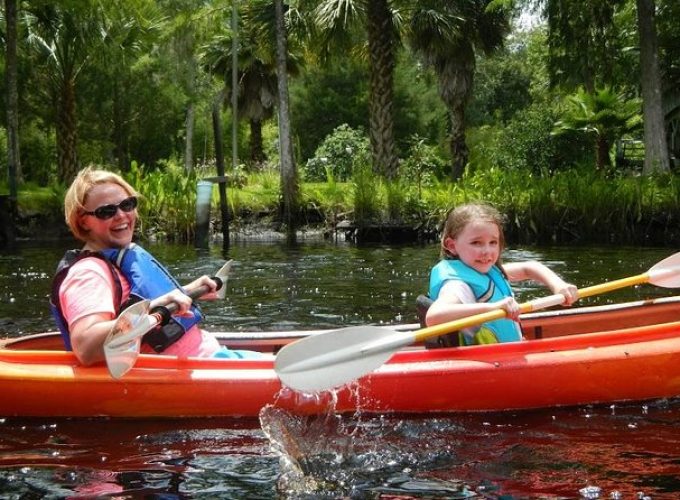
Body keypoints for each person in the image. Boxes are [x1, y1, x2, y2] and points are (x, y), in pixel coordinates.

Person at [50, 166, 257, 366]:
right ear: (83, 221)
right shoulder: (89, 274)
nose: (121, 215)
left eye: (127, 204)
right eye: (107, 211)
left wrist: (188, 291)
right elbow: (86, 347)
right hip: (185, 375)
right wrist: (155, 306)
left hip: (211, 357)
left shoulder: (115, 259)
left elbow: (132, 301)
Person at [425, 203, 579, 346]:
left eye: (493, 242)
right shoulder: (457, 286)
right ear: (452, 246)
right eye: (476, 243)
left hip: (508, 354)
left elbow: (529, 267)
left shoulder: (482, 270)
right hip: (490, 364)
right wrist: (494, 307)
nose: (487, 251)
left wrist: (559, 286)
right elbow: (434, 316)